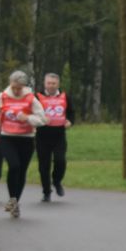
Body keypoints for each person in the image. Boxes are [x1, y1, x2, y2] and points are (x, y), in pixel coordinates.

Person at [0, 71, 48, 219]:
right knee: (14, 166)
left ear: (24, 86)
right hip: (7, 137)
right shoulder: (2, 96)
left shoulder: (30, 98)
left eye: (19, 88)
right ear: (10, 83)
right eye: (14, 87)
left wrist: (27, 118)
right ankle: (13, 199)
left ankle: (14, 202)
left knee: (21, 171)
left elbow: (42, 119)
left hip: (26, 139)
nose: (16, 90)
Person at [35, 72, 74, 202]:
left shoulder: (65, 96)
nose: (51, 86)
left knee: (60, 160)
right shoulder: (37, 96)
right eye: (48, 83)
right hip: (42, 135)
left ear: (58, 84)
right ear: (44, 84)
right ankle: (46, 192)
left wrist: (70, 121)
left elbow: (71, 113)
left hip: (59, 135)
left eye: (54, 83)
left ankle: (56, 181)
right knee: (43, 166)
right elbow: (29, 112)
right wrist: (34, 122)